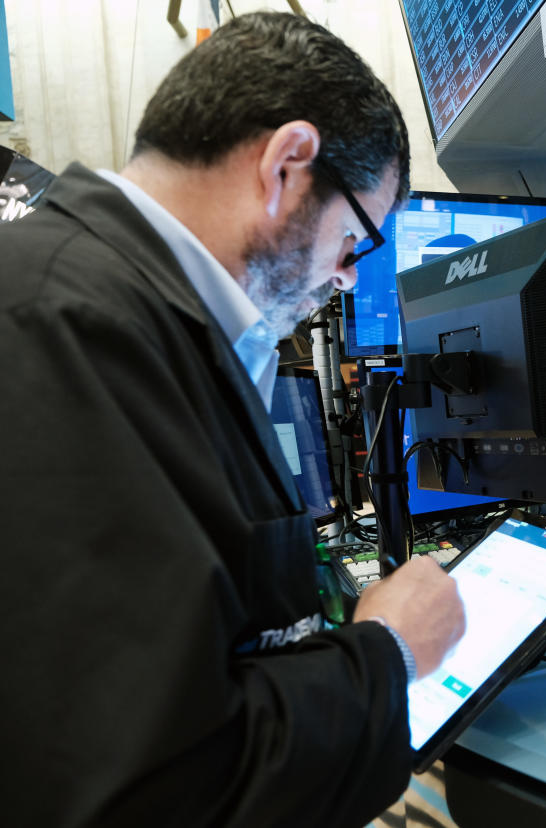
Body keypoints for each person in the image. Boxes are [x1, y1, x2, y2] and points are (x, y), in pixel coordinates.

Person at [0, 13, 466, 827]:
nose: (349, 280)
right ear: (287, 164)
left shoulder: (149, 320)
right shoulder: (56, 326)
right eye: (357, 241)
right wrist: (385, 654)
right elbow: (152, 783)